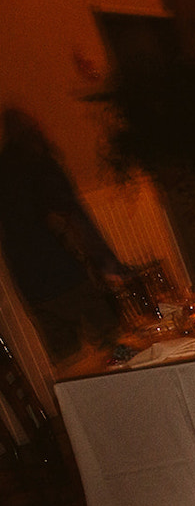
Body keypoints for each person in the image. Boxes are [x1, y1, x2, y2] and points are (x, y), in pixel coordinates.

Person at [0, 108, 121, 361]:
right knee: (114, 344)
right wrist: (108, 264)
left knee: (70, 360)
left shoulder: (5, 172)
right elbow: (74, 217)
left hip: (33, 286)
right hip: (67, 274)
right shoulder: (41, 165)